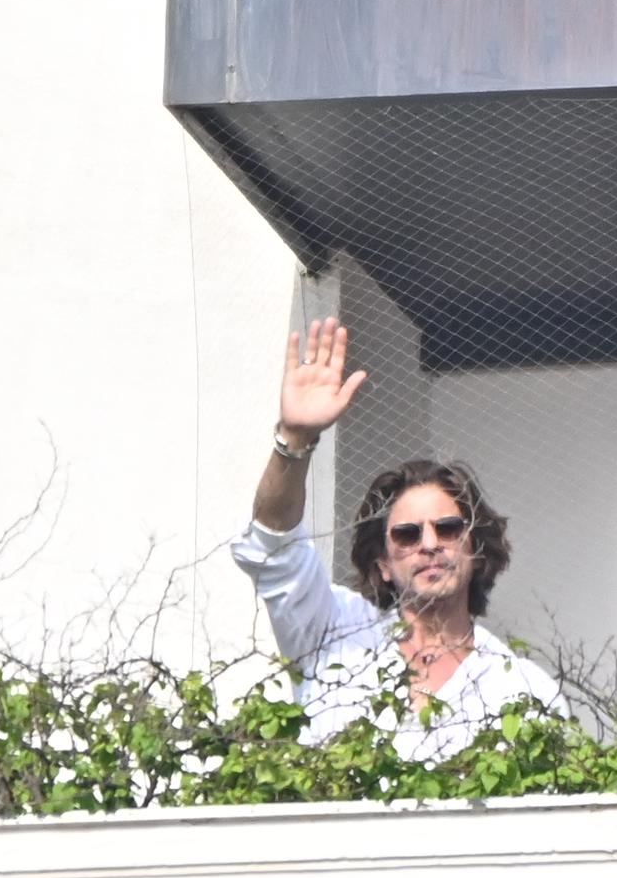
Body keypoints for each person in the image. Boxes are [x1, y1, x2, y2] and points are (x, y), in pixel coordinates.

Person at [231, 316, 561, 757]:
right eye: (406, 535)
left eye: (448, 528)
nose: (429, 544)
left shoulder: (523, 689)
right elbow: (274, 544)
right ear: (382, 564)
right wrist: (294, 438)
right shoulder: (332, 632)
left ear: (477, 550)